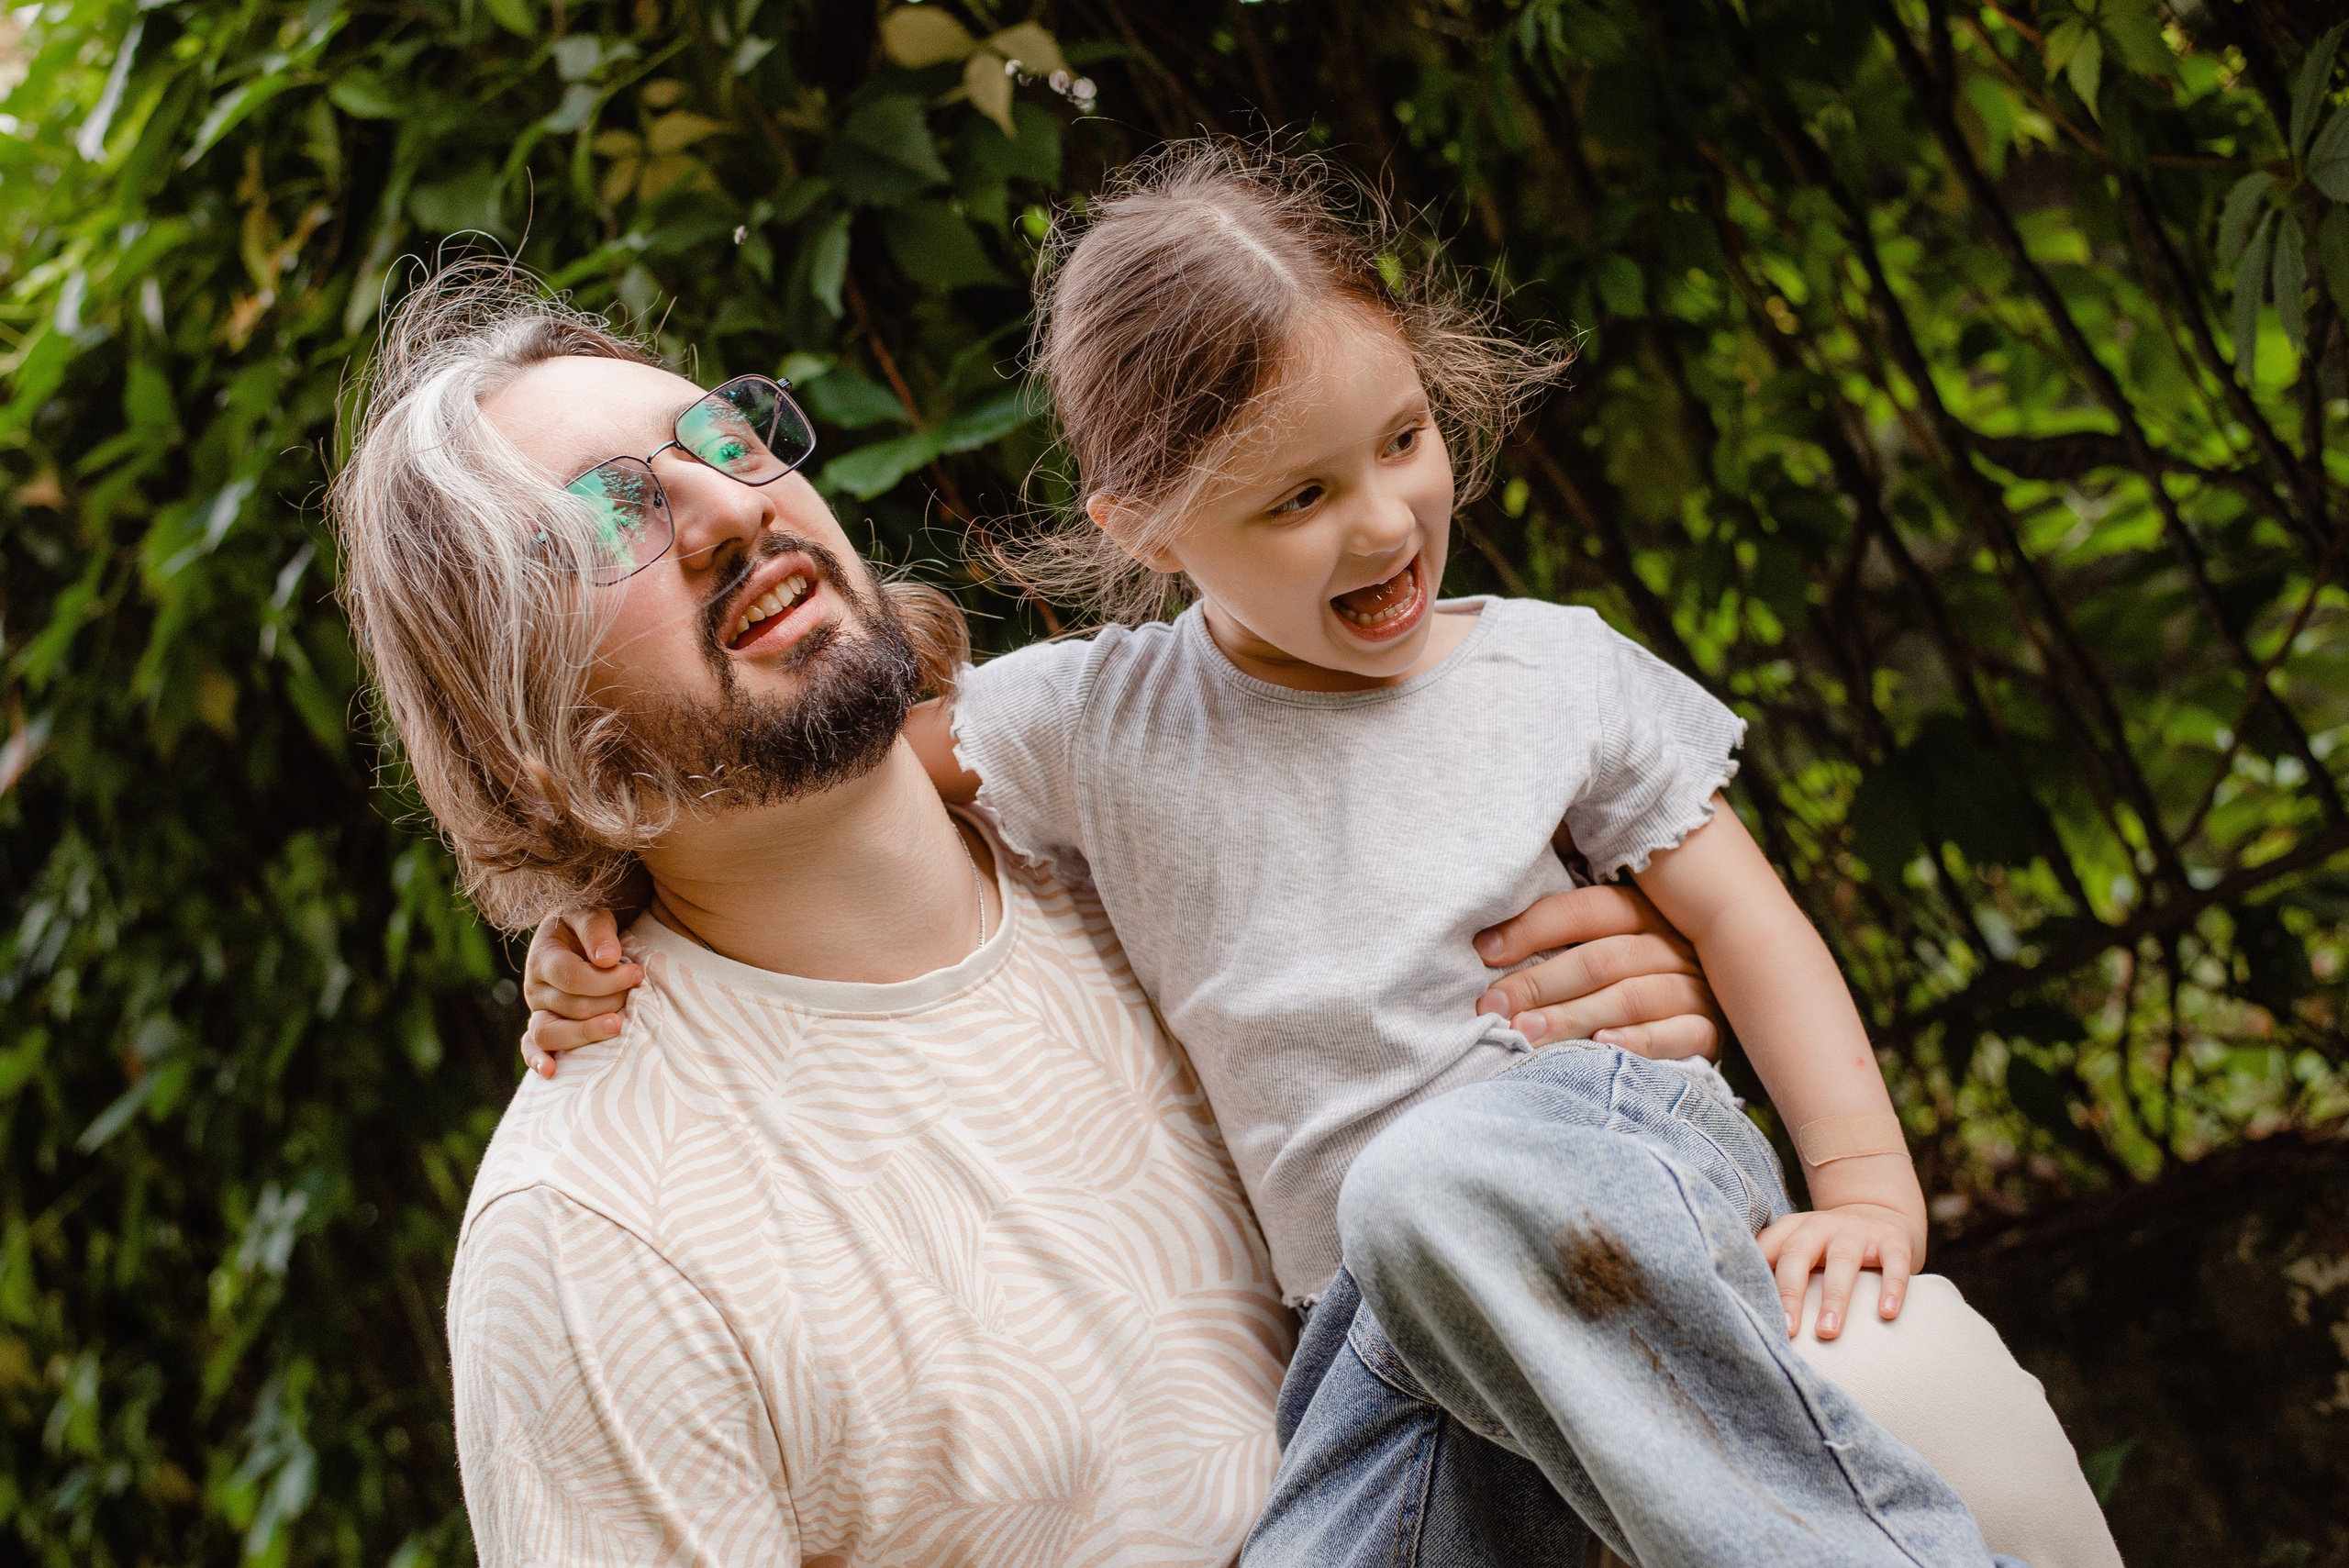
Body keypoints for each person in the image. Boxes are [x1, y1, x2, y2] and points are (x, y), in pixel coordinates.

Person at [520, 144, 2121, 1568]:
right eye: (1296, 497)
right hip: (1375, 1316)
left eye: (1405, 439)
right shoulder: (1099, 721)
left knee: (1425, 1180)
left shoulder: (1552, 672)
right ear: (1145, 524)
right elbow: (830, 765)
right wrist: (593, 909)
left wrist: (1862, 1177)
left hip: (1591, 1151)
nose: (1381, 523)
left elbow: (1750, 920)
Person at [332, 260, 1738, 1568]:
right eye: (608, 518)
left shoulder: (1162, 830)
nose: (727, 511)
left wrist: (1626, 1038)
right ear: (524, 729)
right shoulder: (593, 1240)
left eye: (719, 441)